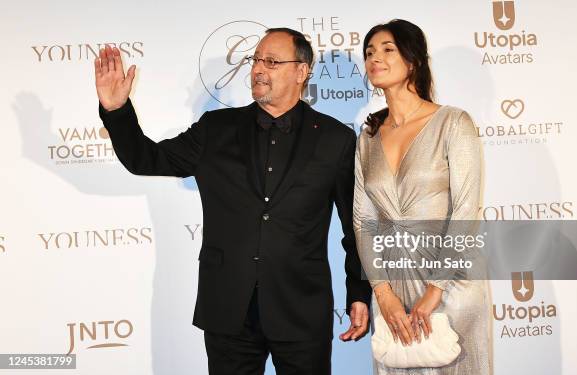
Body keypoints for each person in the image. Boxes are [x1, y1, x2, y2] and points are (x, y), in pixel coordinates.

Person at [94, 27, 371, 375]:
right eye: (255, 60)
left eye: (271, 61)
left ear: (301, 71)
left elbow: (355, 227)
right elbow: (145, 159)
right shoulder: (216, 128)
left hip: (301, 309)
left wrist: (358, 292)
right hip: (228, 309)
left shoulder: (336, 139)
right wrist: (117, 110)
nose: (258, 69)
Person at [353, 19, 492, 374]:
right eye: (369, 52)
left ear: (412, 61)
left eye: (387, 50)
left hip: (450, 283)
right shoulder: (368, 138)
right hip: (393, 286)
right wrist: (382, 294)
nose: (374, 59)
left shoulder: (453, 122)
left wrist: (435, 290)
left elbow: (465, 209)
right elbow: (363, 220)